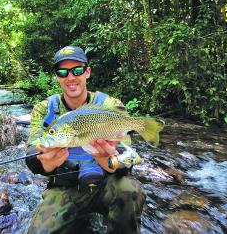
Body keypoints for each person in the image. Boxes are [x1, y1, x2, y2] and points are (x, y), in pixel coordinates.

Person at [25, 46, 146, 234]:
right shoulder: (43, 109)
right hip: (64, 188)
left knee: (130, 190)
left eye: (78, 70)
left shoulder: (110, 105)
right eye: (63, 72)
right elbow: (32, 151)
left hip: (106, 184)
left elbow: (127, 158)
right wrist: (46, 163)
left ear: (87, 72)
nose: (70, 77)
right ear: (57, 76)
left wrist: (106, 159)